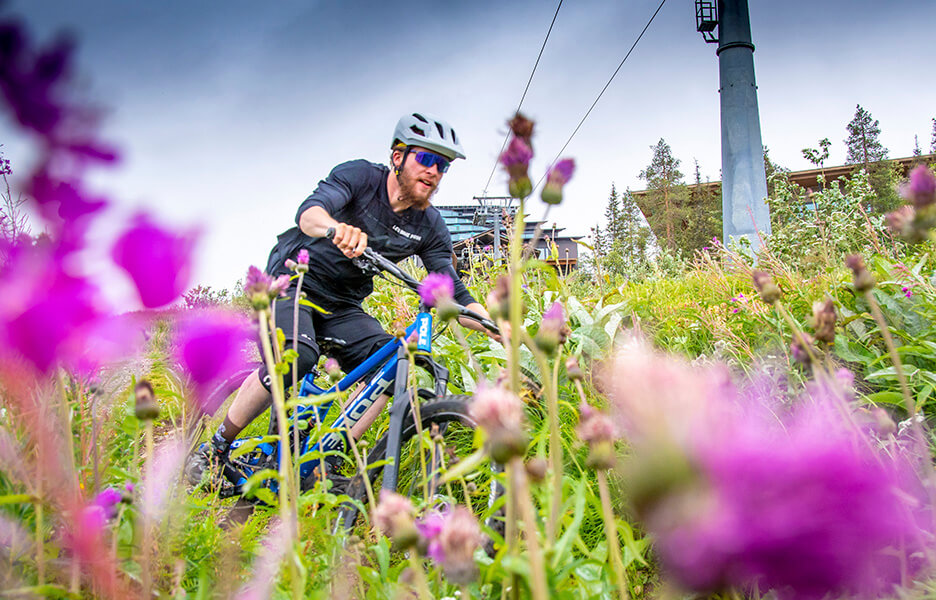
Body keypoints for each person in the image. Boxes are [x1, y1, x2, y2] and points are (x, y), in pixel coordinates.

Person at [187, 112, 499, 485]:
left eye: (443, 166)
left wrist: (493, 325)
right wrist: (336, 229)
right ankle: (217, 447)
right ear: (398, 157)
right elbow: (309, 214)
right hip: (294, 282)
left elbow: (453, 290)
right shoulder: (360, 178)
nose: (434, 172)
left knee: (397, 365)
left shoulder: (430, 225)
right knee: (296, 357)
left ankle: (328, 456)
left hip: (342, 305)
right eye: (426, 159)